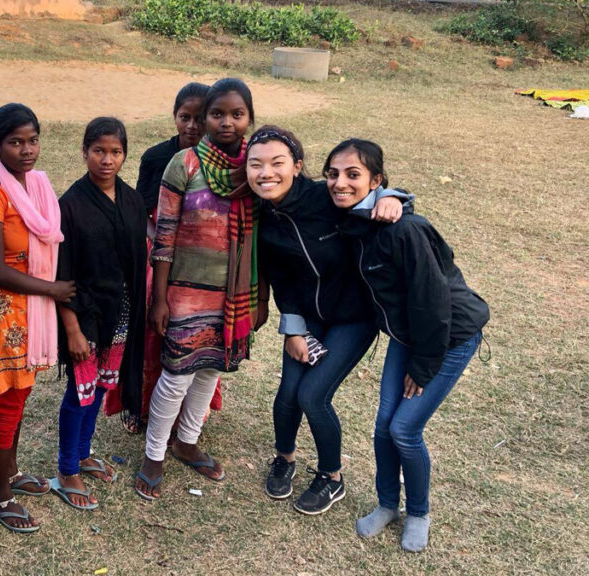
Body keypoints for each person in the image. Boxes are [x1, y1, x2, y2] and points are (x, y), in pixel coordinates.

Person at [327, 139, 489, 552]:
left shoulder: (404, 229)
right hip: (407, 335)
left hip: (447, 335)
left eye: (353, 175)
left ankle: (418, 512)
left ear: (377, 181)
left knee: (404, 428)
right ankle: (387, 505)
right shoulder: (354, 222)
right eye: (333, 173)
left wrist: (423, 365)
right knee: (383, 425)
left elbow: (433, 304)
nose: (340, 183)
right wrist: (397, 197)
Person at [247, 126, 408, 515]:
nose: (266, 173)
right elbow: (282, 280)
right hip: (308, 318)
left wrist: (394, 200)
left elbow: (371, 196)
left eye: (277, 163)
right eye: (256, 165)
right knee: (288, 392)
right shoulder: (263, 218)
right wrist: (294, 329)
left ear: (298, 167)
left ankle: (331, 477)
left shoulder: (326, 196)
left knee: (313, 395)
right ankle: (284, 458)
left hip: (354, 319)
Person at [135, 78, 267, 501]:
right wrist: (159, 297)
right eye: (217, 114)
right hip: (185, 293)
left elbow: (264, 239)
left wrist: (261, 298)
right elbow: (165, 234)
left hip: (234, 294)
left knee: (211, 370)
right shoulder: (184, 164)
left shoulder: (256, 169)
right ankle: (154, 454)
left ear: (250, 118)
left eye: (237, 114)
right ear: (205, 117)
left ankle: (187, 441)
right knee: (176, 375)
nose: (226, 122)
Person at [0, 103, 75, 532]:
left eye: (32, 140)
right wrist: (53, 290)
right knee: (7, 402)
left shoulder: (39, 185)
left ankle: (11, 472)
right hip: (6, 312)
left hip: (33, 312)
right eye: (15, 142)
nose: (26, 149)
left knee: (19, 398)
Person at [106, 82, 223, 434]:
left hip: (203, 261)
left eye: (200, 118)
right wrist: (163, 246)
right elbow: (143, 210)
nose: (191, 126)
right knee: (150, 329)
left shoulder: (221, 160)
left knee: (199, 334)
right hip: (159, 254)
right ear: (174, 117)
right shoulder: (157, 157)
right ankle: (138, 404)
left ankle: (191, 409)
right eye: (184, 117)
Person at [51, 117, 147, 510]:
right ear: (84, 151)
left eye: (116, 152)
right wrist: (71, 328)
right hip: (85, 314)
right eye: (99, 151)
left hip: (121, 311)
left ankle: (85, 452)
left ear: (125, 154)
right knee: (80, 390)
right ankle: (66, 468)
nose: (107, 160)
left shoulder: (132, 199)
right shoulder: (70, 205)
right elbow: (62, 272)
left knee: (104, 386)